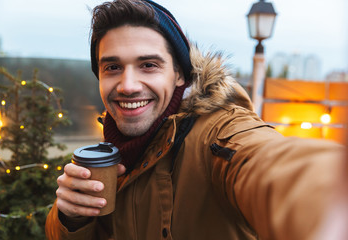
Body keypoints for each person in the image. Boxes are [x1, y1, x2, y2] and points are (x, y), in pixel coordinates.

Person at [45, 0, 345, 239]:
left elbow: (269, 164)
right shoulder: (114, 149)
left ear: (180, 75)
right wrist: (71, 217)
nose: (128, 85)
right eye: (112, 67)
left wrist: (329, 199)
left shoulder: (220, 133)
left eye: (148, 65)